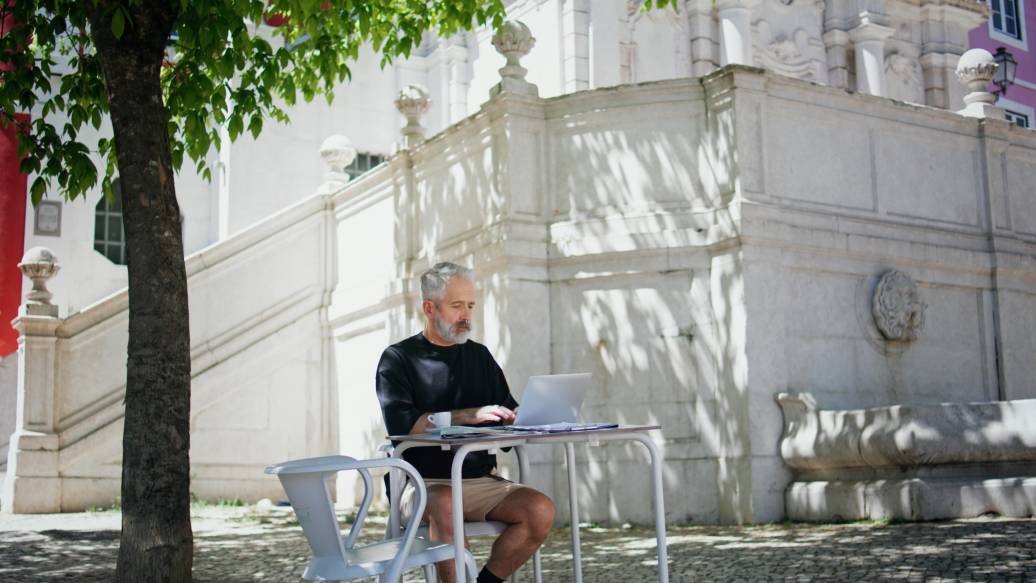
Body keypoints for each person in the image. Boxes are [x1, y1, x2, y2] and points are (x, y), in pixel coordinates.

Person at [376, 262, 555, 583]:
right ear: (429, 308)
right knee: (445, 502)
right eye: (456, 306)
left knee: (539, 509)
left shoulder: (480, 357)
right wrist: (465, 416)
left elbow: (509, 416)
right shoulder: (398, 358)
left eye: (470, 305)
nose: (466, 315)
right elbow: (400, 424)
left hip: (478, 482)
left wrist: (530, 419)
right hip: (422, 484)